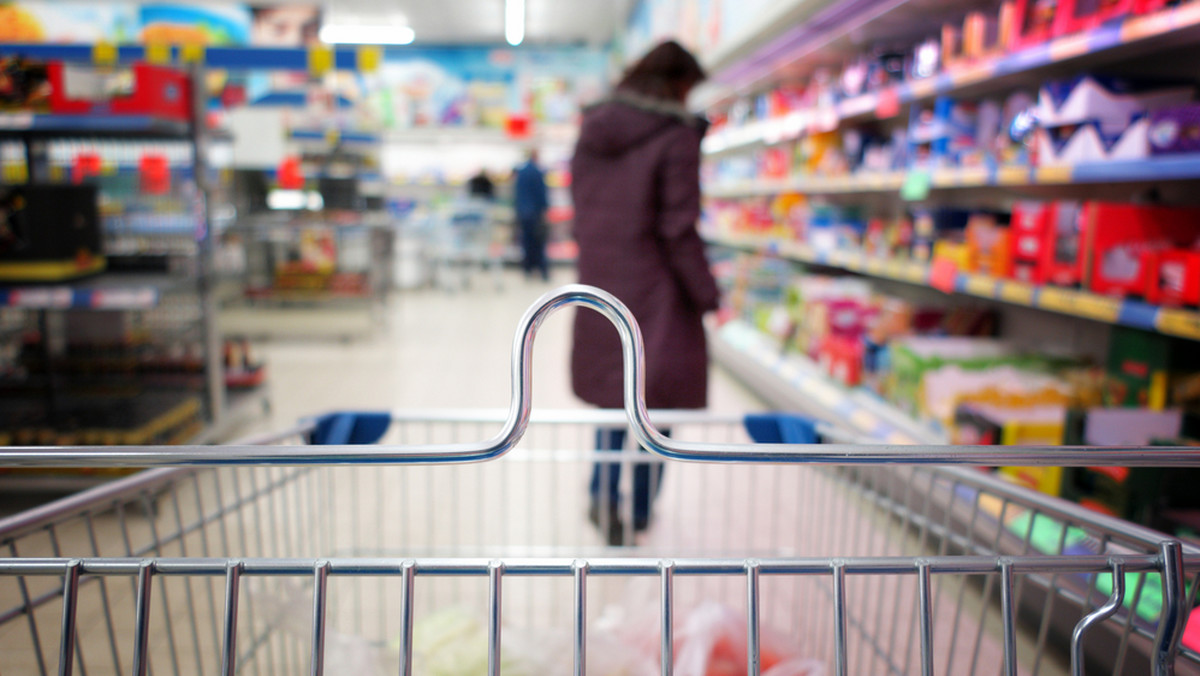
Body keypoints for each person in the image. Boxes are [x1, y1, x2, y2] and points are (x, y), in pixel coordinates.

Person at [569, 40, 720, 545]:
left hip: (603, 284)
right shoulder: (675, 137)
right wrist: (709, 295)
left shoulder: (591, 130)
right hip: (659, 295)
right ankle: (637, 512)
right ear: (677, 84)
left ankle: (603, 495)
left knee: (615, 399)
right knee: (660, 407)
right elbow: (678, 229)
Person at [513, 150, 550, 281]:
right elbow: (541, 194)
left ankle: (527, 270)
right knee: (539, 243)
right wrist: (545, 210)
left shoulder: (521, 172)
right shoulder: (538, 172)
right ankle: (543, 271)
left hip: (523, 213)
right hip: (535, 213)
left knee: (526, 242)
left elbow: (517, 194)